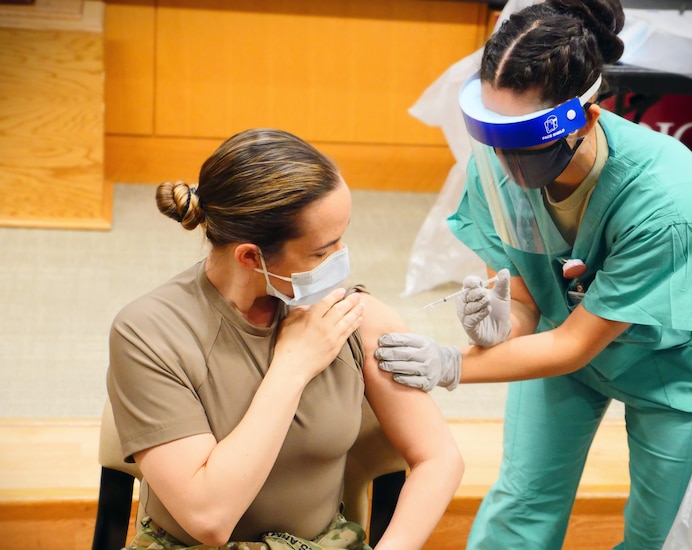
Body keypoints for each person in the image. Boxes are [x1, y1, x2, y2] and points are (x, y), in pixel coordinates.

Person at [375, 1, 692, 548]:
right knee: (522, 506)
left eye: (524, 148)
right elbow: (528, 299)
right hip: (558, 344)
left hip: (673, 361)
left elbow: (576, 345)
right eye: (494, 139)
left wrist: (451, 363)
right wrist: (503, 327)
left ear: (587, 121)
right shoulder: (496, 163)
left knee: (664, 532)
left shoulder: (665, 197)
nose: (506, 165)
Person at [106, 128, 463, 550]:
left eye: (340, 239)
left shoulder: (354, 319)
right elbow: (209, 517)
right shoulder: (148, 333)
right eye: (320, 252)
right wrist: (292, 367)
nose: (340, 260)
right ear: (251, 256)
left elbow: (440, 458)